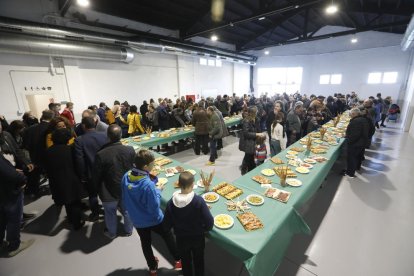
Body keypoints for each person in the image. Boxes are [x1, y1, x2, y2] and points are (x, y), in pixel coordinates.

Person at [122, 150, 181, 275]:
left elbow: (125, 195)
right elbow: (154, 206)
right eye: (152, 164)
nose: (154, 166)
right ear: (145, 166)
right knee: (168, 235)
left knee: (145, 243)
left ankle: (152, 267)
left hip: (137, 220)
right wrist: (158, 191)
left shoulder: (126, 176)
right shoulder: (148, 185)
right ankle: (178, 259)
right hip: (153, 219)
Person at [164, 172, 214, 276]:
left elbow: (166, 226)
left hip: (181, 239)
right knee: (199, 260)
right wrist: (204, 229)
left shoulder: (170, 203)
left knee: (186, 262)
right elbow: (209, 223)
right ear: (192, 185)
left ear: (178, 184)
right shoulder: (199, 201)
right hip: (197, 238)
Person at [92, 125, 135, 239]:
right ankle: (129, 230)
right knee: (127, 211)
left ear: (108, 136)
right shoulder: (130, 150)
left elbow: (96, 176)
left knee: (110, 213)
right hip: (126, 187)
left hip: (107, 190)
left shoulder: (101, 154)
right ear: (121, 135)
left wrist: (95, 190)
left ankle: (112, 233)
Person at [0, 128, 35, 256]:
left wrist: (22, 165)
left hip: (7, 179)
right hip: (8, 186)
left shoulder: (7, 135)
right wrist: (21, 179)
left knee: (3, 216)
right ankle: (14, 245)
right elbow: (5, 170)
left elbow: (17, 151)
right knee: (14, 217)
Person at [45, 128, 84, 230]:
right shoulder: (70, 149)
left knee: (66, 201)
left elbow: (47, 169)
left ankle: (70, 219)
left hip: (57, 181)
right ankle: (77, 223)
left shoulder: (48, 151)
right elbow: (77, 164)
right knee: (75, 202)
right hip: (72, 179)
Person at [74, 117, 108, 221]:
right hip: (105, 171)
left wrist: (82, 175)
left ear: (83, 126)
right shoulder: (105, 135)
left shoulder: (79, 140)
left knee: (92, 195)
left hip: (90, 173)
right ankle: (109, 212)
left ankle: (95, 213)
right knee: (106, 193)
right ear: (95, 124)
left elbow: (80, 160)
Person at [23, 110, 54, 196]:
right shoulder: (52, 128)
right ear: (52, 117)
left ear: (42, 116)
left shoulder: (30, 129)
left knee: (35, 175)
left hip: (34, 156)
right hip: (48, 156)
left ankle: (34, 191)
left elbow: (25, 145)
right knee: (52, 175)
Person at [342, 108, 369, 178]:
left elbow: (355, 135)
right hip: (362, 142)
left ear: (354, 114)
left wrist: (348, 140)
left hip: (356, 143)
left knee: (352, 158)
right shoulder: (363, 119)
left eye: (350, 115)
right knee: (357, 157)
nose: (350, 116)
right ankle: (356, 168)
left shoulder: (356, 121)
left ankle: (350, 173)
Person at [239, 107, 263, 175]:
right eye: (256, 111)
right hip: (248, 142)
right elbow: (246, 134)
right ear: (253, 113)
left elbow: (258, 129)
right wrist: (257, 134)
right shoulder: (246, 121)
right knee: (248, 156)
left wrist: (260, 135)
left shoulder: (256, 119)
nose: (258, 112)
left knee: (251, 156)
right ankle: (244, 170)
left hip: (254, 141)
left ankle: (250, 170)